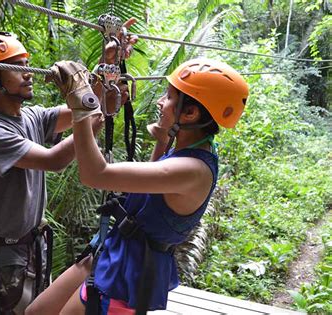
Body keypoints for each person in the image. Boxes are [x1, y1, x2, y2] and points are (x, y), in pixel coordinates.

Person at [25, 58, 249, 315]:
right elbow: (152, 189)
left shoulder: (192, 170)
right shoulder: (194, 147)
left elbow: (95, 174)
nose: (160, 102)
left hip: (125, 275)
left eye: (169, 97)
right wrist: (162, 142)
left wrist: (80, 106)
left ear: (189, 114)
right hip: (114, 252)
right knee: (36, 312)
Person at [0, 31, 103, 314]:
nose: (28, 73)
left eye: (27, 64)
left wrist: (104, 69)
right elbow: (54, 160)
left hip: (32, 246)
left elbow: (89, 106)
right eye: (17, 67)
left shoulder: (32, 116)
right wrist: (85, 127)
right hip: (7, 254)